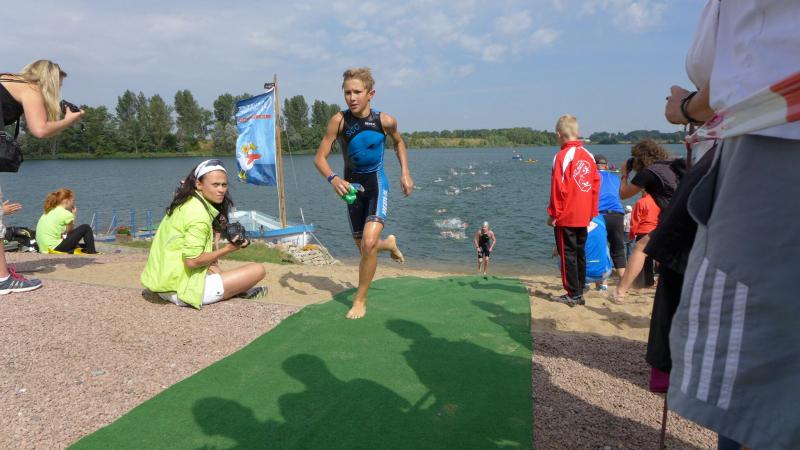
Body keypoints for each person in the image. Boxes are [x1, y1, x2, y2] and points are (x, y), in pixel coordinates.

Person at [665, 2, 800, 448]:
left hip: (774, 139)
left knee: (754, 383)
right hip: (771, 131)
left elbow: (732, 71)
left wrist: (685, 106)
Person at [313, 68, 412, 320]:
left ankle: (359, 300)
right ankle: (388, 244)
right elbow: (319, 158)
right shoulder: (339, 121)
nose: (352, 97)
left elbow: (399, 142)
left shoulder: (385, 121)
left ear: (371, 94)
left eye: (357, 92)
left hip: (376, 184)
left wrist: (405, 172)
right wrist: (334, 178)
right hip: (352, 190)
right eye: (347, 92)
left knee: (368, 244)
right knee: (364, 247)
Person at [0, 60, 84, 294]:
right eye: (59, 84)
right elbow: (40, 130)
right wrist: (69, 120)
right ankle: (2, 279)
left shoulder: (7, 79)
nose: (59, 90)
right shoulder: (31, 88)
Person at [140, 160, 267, 308]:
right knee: (258, 270)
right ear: (199, 184)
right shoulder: (199, 215)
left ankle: (235, 290)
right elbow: (192, 261)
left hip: (163, 282)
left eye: (224, 185)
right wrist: (229, 249)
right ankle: (236, 292)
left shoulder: (185, 203)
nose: (221, 190)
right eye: (215, 185)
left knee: (213, 265)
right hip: (182, 291)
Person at [614, 139, 681, 301]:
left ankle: (620, 291)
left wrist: (625, 173)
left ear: (640, 158)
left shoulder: (648, 172)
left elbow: (623, 194)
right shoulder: (670, 166)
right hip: (684, 215)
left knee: (640, 248)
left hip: (672, 218)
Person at [547, 115, 600, 306]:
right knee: (579, 252)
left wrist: (553, 214)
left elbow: (558, 188)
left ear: (559, 134)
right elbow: (595, 186)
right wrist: (592, 212)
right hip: (583, 214)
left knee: (568, 254)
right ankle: (579, 288)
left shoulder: (561, 156)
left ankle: (573, 293)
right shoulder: (589, 155)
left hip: (567, 215)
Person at [594, 154, 627, 280]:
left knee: (598, 247)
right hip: (617, 214)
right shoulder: (615, 177)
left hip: (599, 214)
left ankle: (601, 281)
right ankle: (623, 279)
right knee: (618, 249)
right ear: (606, 166)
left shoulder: (592, 177)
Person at [35, 188, 97, 254]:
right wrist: (73, 215)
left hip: (44, 249)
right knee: (86, 227)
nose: (73, 203)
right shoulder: (66, 214)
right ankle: (92, 252)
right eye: (73, 201)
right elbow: (69, 232)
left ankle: (88, 249)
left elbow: (64, 234)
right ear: (67, 200)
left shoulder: (49, 211)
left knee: (83, 245)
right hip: (54, 248)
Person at [628, 191, 659, 289]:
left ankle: (641, 282)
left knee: (640, 258)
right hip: (655, 232)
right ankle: (650, 281)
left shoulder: (641, 202)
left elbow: (635, 219)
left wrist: (632, 234)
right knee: (651, 258)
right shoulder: (657, 202)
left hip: (643, 232)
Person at [585, 215, 613, 291]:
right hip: (604, 274)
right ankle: (604, 285)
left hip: (584, 276)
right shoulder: (601, 218)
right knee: (603, 247)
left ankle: (585, 284)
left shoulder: (578, 221)